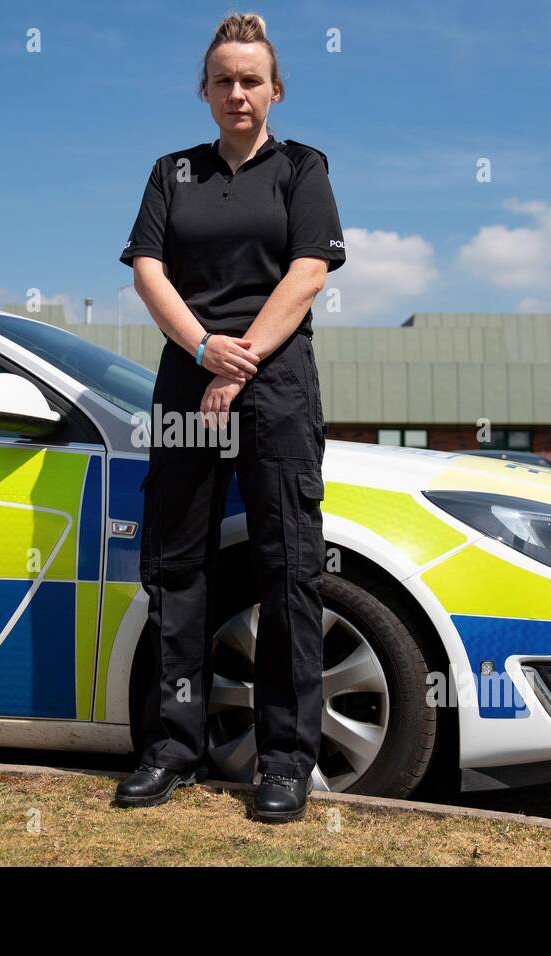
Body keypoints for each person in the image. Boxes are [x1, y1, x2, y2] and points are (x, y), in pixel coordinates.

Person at [113, 12, 346, 822]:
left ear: (275, 90)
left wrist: (238, 357)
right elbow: (148, 270)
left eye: (252, 80)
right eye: (224, 79)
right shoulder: (170, 172)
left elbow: (309, 273)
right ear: (205, 91)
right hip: (188, 385)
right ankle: (172, 749)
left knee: (289, 571)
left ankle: (284, 762)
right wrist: (205, 350)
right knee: (178, 571)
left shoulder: (302, 167)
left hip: (277, 389)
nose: (238, 92)